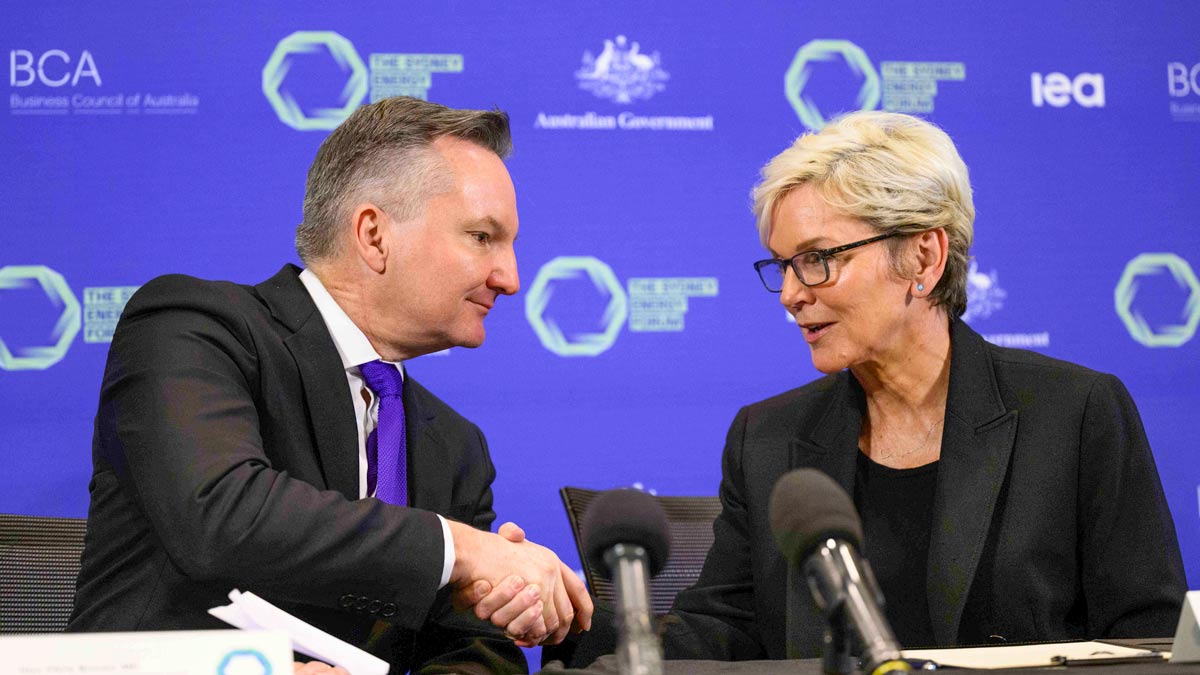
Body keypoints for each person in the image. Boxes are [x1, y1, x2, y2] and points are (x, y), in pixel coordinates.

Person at [567, 111, 1187, 666]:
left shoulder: (1074, 415)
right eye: (782, 265)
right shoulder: (767, 439)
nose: (790, 294)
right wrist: (572, 623)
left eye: (818, 259)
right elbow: (722, 629)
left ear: (923, 258)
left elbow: (1148, 639)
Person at [69, 96, 592, 674]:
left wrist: (493, 592)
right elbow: (220, 513)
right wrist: (463, 549)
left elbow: (475, 653)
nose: (510, 279)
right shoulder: (191, 325)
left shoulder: (454, 445)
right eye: (481, 237)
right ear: (373, 235)